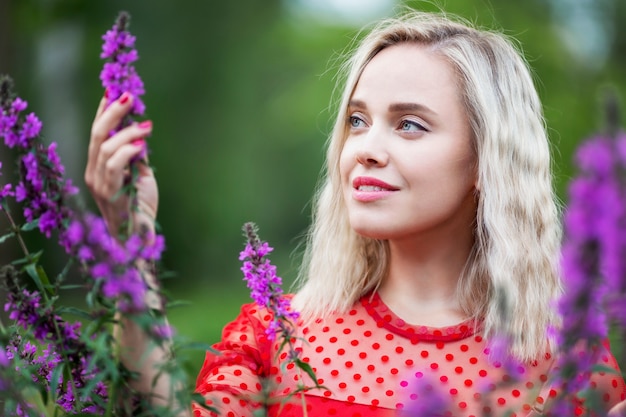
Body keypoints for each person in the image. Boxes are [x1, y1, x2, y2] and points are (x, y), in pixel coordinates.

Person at [85, 10, 626, 417]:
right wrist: (129, 245)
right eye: (358, 121)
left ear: (487, 160)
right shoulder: (279, 338)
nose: (365, 148)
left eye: (410, 124)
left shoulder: (567, 364)